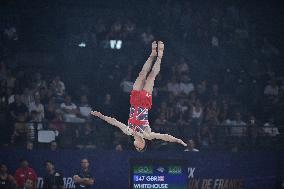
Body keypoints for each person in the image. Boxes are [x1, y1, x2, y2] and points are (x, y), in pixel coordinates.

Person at [91, 41, 187, 152]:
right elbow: (164, 136)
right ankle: (159, 57)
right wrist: (178, 140)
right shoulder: (147, 135)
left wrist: (101, 116)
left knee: (142, 74)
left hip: (134, 101)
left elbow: (114, 121)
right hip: (144, 103)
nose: (136, 146)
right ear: (143, 143)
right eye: (139, 147)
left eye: (136, 147)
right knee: (151, 77)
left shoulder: (128, 131)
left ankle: (152, 55)